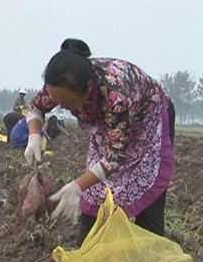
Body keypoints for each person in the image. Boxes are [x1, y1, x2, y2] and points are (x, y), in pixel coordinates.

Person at [24, 39, 175, 246]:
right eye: (58, 102)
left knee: (146, 192)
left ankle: (152, 259)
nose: (63, 107)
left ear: (88, 88)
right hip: (111, 129)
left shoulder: (116, 96)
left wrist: (77, 186)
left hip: (147, 121)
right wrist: (33, 135)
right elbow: (36, 107)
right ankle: (87, 251)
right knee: (94, 193)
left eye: (67, 103)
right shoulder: (61, 83)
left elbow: (115, 157)